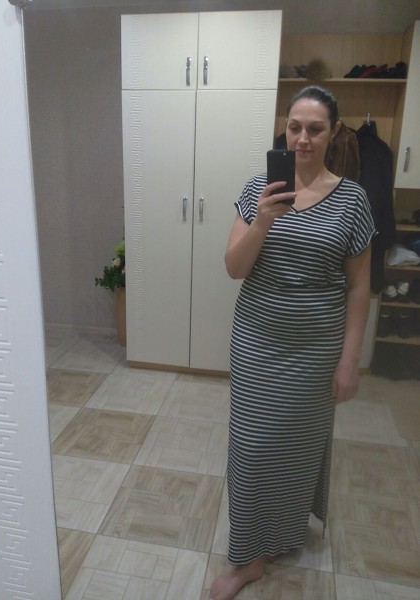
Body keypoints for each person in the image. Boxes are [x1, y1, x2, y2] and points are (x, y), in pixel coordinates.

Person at [210, 85, 375, 600]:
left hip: (316, 350)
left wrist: (349, 360)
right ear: (285, 129)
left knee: (297, 448)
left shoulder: (353, 199)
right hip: (258, 341)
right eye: (294, 127)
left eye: (315, 129)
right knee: (252, 448)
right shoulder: (258, 188)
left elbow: (359, 286)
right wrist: (263, 219)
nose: (302, 139)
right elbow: (234, 267)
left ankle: (280, 536)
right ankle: (246, 559)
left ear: (334, 132)